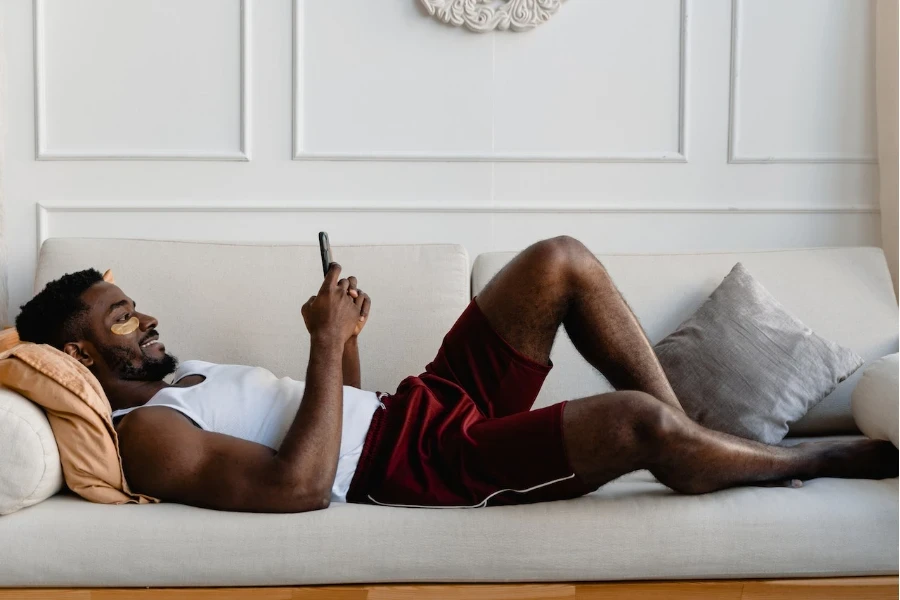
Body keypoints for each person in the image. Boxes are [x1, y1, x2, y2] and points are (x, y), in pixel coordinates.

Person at [14, 236, 897, 513]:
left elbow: (334, 411)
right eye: (120, 317)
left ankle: (704, 443)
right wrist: (323, 346)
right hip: (425, 465)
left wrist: (342, 335)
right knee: (635, 423)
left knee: (558, 261)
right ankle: (801, 461)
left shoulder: (183, 377)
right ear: (80, 356)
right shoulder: (151, 438)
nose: (149, 317)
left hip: (415, 408)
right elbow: (299, 486)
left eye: (137, 304)